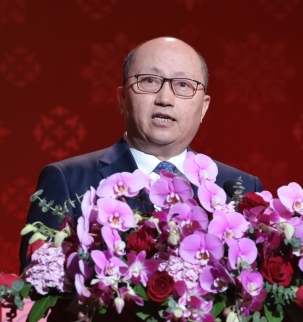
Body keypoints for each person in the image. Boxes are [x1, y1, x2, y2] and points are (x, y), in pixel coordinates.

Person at [20, 36, 263, 270]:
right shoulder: (68, 180)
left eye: (183, 85)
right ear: (122, 98)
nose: (165, 99)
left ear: (204, 108)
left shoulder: (239, 189)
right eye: (149, 81)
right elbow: (39, 282)